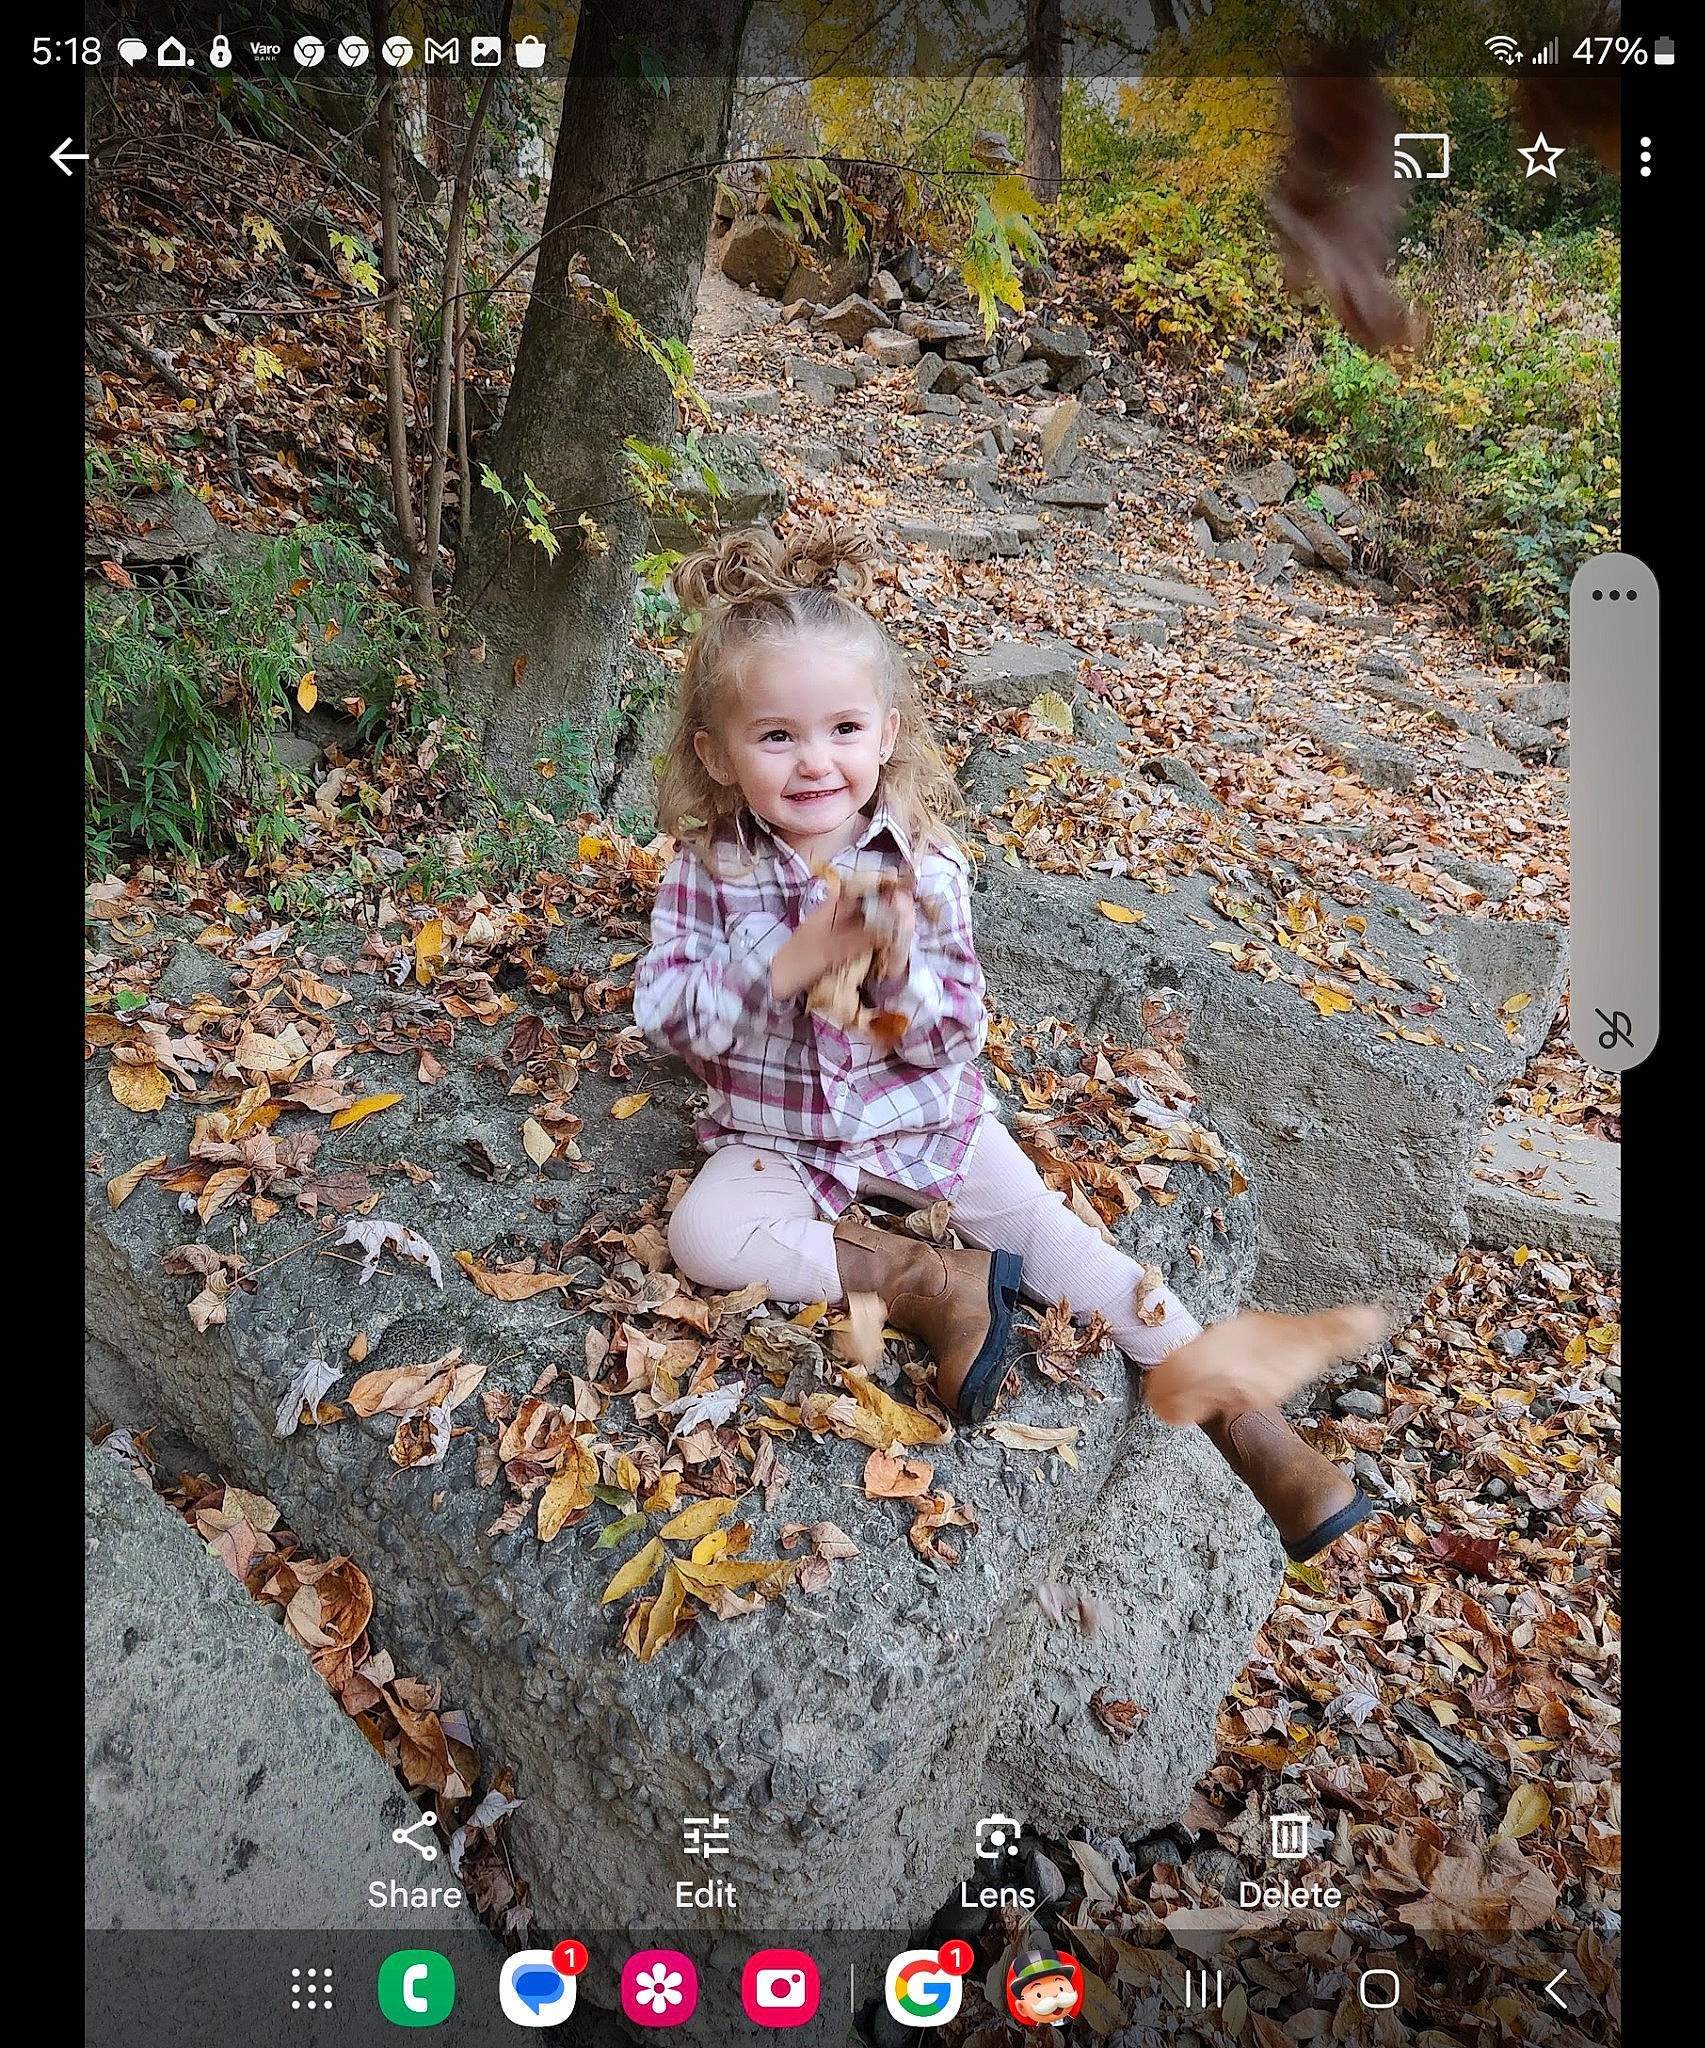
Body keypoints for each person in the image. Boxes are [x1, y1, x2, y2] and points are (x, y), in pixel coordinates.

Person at [632, 523, 1391, 1562]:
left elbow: (956, 1035)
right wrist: (783, 964)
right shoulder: (707, 871)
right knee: (708, 1231)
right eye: (776, 737)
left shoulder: (925, 867)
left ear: (887, 734)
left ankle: (1240, 1415)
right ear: (715, 752)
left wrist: (892, 983)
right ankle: (922, 1279)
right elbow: (667, 1017)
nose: (815, 760)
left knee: (1053, 1233)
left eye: (842, 728)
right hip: (783, 1139)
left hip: (925, 1125)